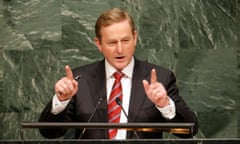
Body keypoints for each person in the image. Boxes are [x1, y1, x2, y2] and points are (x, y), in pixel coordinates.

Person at [39, 8, 198, 139]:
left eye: (125, 41)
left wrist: (164, 104)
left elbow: (190, 130)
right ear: (99, 44)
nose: (120, 50)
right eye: (112, 43)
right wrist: (61, 101)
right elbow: (49, 133)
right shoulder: (79, 80)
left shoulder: (161, 78)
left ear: (135, 38)